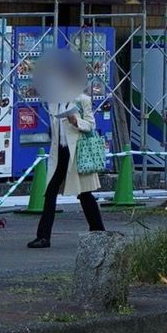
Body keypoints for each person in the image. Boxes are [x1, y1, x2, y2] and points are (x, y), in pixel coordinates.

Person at [29, 86, 105, 248]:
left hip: (78, 153)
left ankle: (98, 231)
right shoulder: (53, 101)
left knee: (84, 194)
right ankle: (43, 236)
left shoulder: (82, 99)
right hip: (60, 152)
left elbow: (91, 124)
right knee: (50, 192)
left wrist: (76, 121)